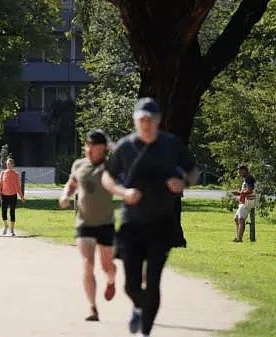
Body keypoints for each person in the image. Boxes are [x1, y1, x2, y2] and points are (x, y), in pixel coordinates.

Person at [101, 97, 199, 337]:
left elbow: (193, 171)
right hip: (132, 224)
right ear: (136, 121)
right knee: (131, 285)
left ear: (158, 121)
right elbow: (107, 177)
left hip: (162, 223)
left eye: (151, 120)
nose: (146, 124)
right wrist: (123, 192)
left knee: (153, 281)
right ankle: (138, 306)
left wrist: (183, 182)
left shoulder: (172, 145)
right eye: (142, 120)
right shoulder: (126, 147)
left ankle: (146, 332)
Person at [59, 129, 116, 322]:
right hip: (84, 222)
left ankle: (111, 280)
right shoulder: (79, 164)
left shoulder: (110, 166)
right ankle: (92, 308)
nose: (89, 148)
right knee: (87, 264)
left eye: (94, 145)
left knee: (107, 266)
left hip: (106, 223)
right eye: (87, 144)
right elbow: (72, 183)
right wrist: (65, 195)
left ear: (103, 148)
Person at [0, 158, 26, 236]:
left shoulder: (16, 174)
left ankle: (12, 230)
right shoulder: (2, 173)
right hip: (4, 195)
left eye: (10, 164)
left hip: (13, 195)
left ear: (13, 165)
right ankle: (6, 225)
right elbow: (0, 184)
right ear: (6, 164)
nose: (9, 165)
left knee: (12, 212)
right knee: (4, 212)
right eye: (8, 164)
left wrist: (22, 197)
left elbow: (18, 187)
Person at [231, 165, 256, 242]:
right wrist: (239, 193)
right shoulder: (246, 179)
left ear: (244, 170)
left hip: (248, 201)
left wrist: (239, 193)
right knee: (236, 219)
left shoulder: (249, 178)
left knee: (241, 219)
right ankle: (238, 236)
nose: (239, 174)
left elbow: (249, 190)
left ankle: (239, 238)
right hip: (244, 201)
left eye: (240, 172)